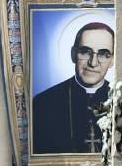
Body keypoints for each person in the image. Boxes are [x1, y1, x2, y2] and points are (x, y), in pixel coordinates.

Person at [33, 22, 114, 154]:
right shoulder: (43, 103)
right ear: (73, 54)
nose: (93, 63)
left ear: (112, 60)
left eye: (103, 54)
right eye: (85, 52)